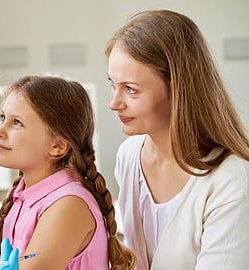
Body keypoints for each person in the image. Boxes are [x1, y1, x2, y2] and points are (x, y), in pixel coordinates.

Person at [106, 9, 249, 270]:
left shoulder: (231, 180)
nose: (113, 103)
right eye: (112, 85)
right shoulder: (128, 156)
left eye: (130, 89)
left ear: (178, 88)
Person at [0, 75, 136, 269]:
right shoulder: (21, 194)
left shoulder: (69, 205)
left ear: (58, 146)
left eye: (17, 122)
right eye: (3, 117)